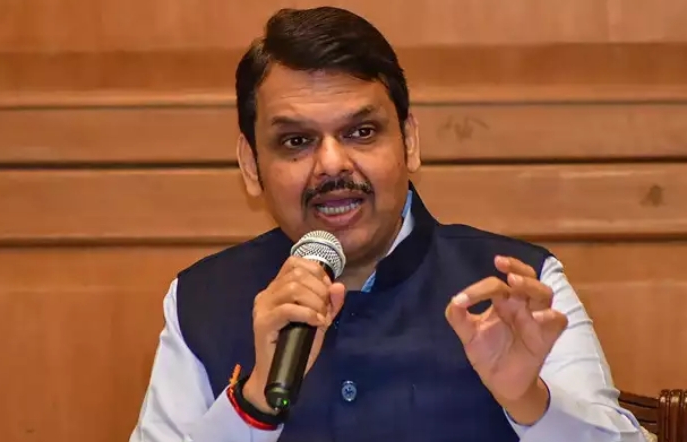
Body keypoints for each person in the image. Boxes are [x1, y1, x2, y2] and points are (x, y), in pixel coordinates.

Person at [129, 6, 648, 442]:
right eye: (296, 141)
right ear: (251, 165)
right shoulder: (201, 299)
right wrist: (253, 405)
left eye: (361, 132)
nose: (332, 165)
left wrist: (529, 401)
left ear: (409, 142)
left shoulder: (516, 287)